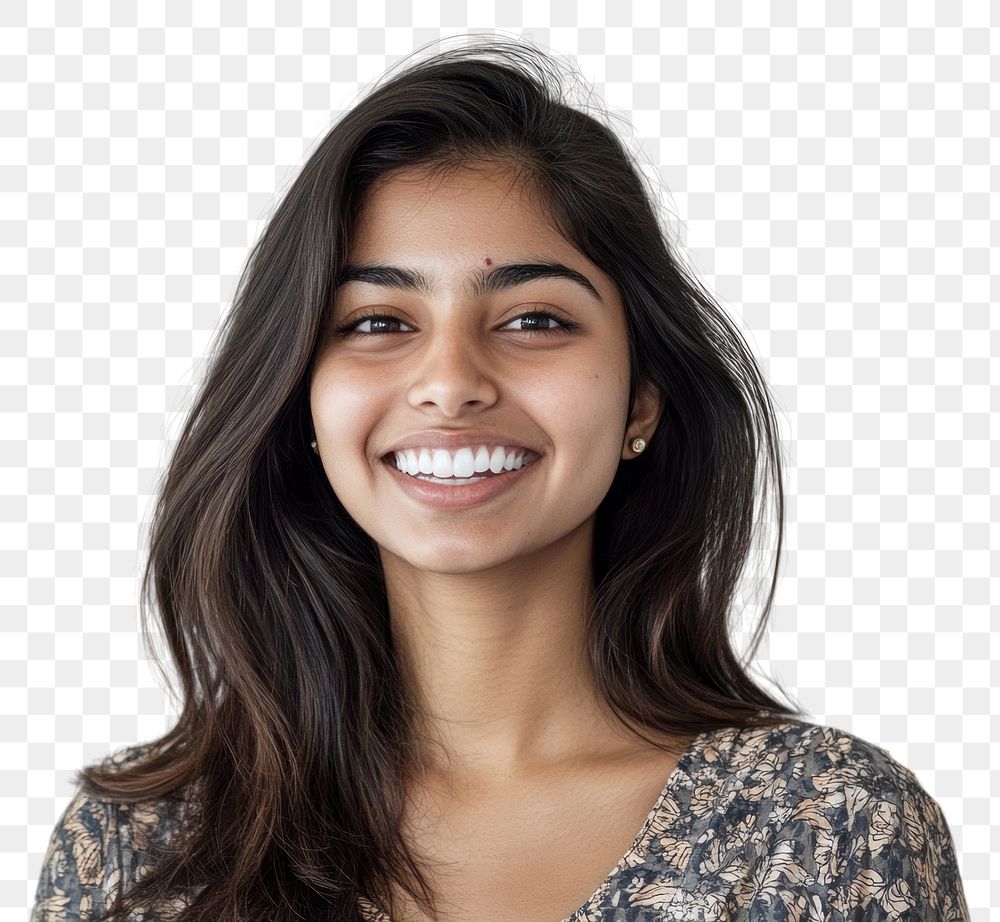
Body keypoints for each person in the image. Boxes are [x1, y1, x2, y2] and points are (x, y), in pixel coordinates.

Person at [30, 38, 969, 922]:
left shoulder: (831, 833)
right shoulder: (140, 850)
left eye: (533, 321)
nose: (449, 383)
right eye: (377, 322)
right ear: (300, 402)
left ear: (642, 401)